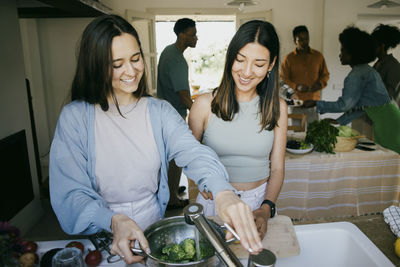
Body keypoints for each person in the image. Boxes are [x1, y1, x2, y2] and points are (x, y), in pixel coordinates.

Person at [49, 15, 263, 265]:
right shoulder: (75, 117)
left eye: (135, 59)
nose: (131, 71)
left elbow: (194, 152)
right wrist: (112, 220)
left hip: (153, 229)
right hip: (101, 233)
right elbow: (70, 193)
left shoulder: (158, 112)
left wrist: (223, 192)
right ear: (96, 66)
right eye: (117, 64)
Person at [188, 20, 287, 239]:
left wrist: (266, 208)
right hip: (215, 201)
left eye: (259, 64)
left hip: (258, 202)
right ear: (230, 57)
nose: (246, 72)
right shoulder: (204, 105)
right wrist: (201, 182)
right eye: (240, 60)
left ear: (271, 64)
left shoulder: (277, 107)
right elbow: (189, 158)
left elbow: (277, 168)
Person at [302, 26, 400, 154]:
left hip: (388, 123)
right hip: (387, 120)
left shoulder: (357, 75)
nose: (340, 54)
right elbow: (363, 106)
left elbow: (345, 105)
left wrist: (316, 103)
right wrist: (339, 121)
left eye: (343, 50)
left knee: (392, 162)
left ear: (354, 53)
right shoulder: (365, 70)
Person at [157, 18, 198, 208]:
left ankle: (171, 189)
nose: (196, 37)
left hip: (165, 114)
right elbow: (182, 94)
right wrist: (199, 113)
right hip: (174, 115)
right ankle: (172, 198)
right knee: (176, 159)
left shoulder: (168, 51)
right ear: (182, 35)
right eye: (192, 34)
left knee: (170, 158)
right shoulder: (177, 59)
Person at [280, 25, 329, 125]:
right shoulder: (288, 59)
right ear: (295, 41)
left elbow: (325, 75)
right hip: (296, 104)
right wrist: (296, 86)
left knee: (314, 134)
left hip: (313, 104)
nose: (304, 42)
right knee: (297, 136)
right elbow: (283, 79)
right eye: (300, 40)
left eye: (306, 39)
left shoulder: (318, 56)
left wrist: (319, 84)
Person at [371, 24, 400, 107]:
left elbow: (390, 95)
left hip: (387, 113)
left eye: (374, 45)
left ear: (382, 46)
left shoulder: (393, 66)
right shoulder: (378, 64)